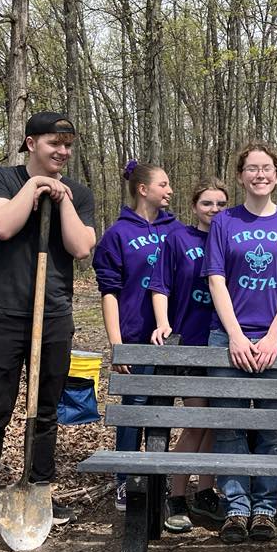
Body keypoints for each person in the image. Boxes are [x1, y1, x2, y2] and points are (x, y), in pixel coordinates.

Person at [0, 111, 97, 545]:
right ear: (31, 143)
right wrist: (34, 187)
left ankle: (39, 489)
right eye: (54, 143)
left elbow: (81, 247)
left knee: (45, 410)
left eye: (68, 145)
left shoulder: (78, 193)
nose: (62, 152)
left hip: (53, 315)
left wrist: (62, 200)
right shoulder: (0, 178)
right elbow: (2, 225)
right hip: (5, 314)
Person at [205, 143, 277, 544]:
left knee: (272, 427)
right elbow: (216, 279)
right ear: (240, 176)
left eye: (266, 168)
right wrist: (234, 335)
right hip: (227, 336)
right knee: (229, 426)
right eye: (252, 168)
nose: (259, 174)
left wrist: (274, 337)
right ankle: (236, 507)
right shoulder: (224, 221)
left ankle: (265, 507)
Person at [91, 162, 178, 511]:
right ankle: (125, 479)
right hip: (134, 335)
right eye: (163, 184)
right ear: (143, 189)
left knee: (162, 409)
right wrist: (117, 345)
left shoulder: (176, 230)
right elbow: (109, 292)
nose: (170, 190)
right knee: (134, 409)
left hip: (169, 338)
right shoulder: (117, 234)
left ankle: (158, 476)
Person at [150, 178, 230, 531]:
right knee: (198, 420)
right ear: (195, 206)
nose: (214, 210)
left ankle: (206, 491)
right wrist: (163, 323)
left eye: (221, 204)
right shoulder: (178, 239)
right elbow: (160, 286)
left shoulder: (230, 239)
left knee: (216, 422)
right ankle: (177, 496)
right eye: (207, 203)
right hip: (190, 342)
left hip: (224, 343)